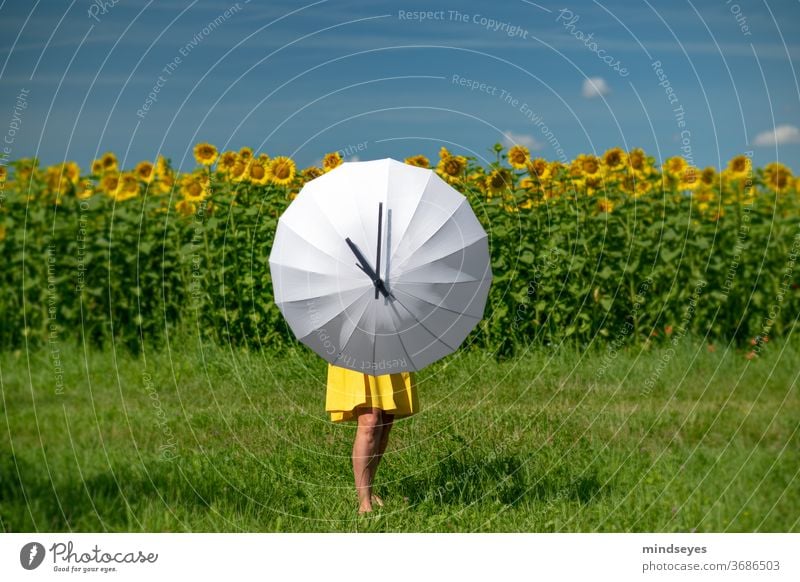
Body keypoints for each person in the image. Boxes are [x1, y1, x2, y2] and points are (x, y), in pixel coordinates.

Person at [326, 363, 419, 514]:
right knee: (371, 421)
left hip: (388, 344)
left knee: (386, 419)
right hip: (358, 344)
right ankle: (364, 505)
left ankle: (367, 489)